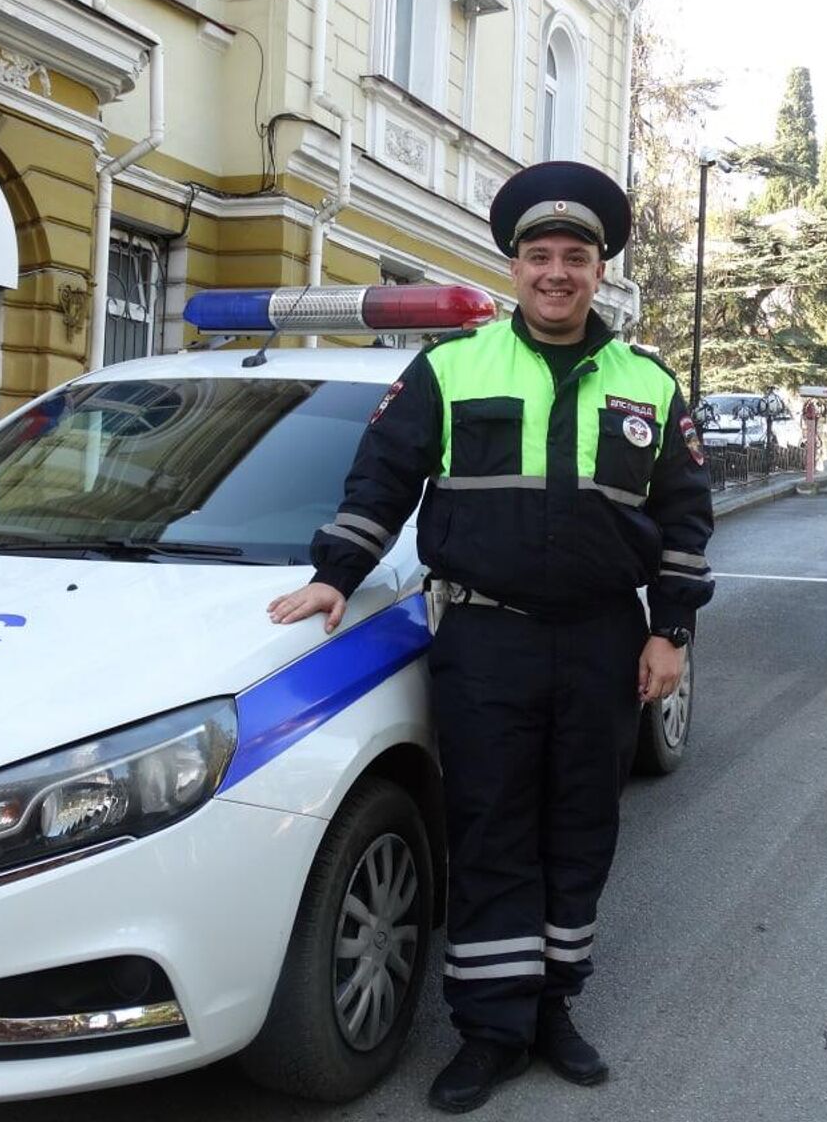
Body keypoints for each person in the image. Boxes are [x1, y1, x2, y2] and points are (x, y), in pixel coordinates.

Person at [268, 160, 715, 1113]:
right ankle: (491, 1031)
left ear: (601, 270)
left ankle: (555, 1008)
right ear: (514, 266)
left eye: (577, 256)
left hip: (604, 640)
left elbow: (685, 517)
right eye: (540, 255)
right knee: (489, 828)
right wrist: (331, 576)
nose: (558, 271)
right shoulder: (450, 367)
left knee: (581, 827)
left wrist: (669, 631)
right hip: (485, 642)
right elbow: (379, 482)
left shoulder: (646, 382)